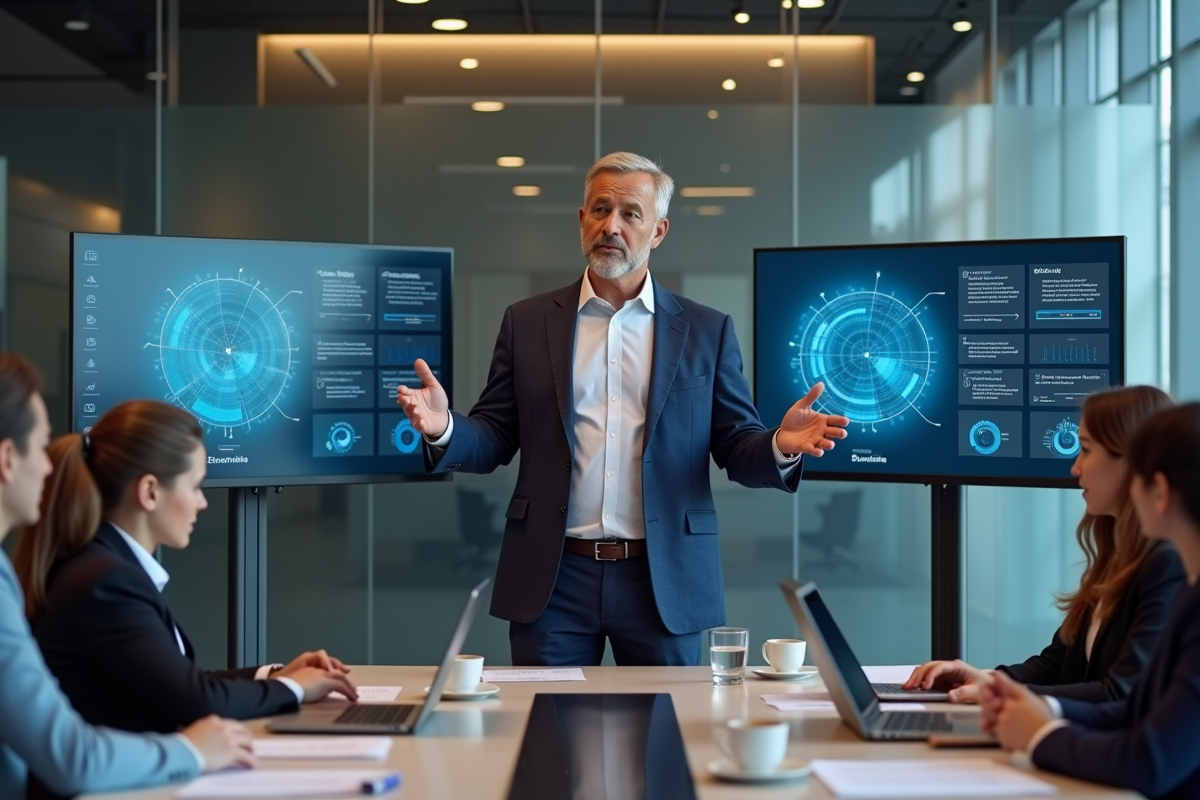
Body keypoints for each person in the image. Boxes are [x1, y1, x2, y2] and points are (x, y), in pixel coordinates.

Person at [397, 151, 850, 667]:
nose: (611, 225)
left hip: (664, 578)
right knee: (550, 736)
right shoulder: (527, 322)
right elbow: (497, 435)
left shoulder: (706, 330)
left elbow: (734, 444)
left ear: (658, 230)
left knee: (664, 737)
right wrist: (444, 429)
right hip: (553, 578)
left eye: (630, 213)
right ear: (582, 219)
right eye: (600, 209)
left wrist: (777, 445)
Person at [14, 399, 358, 737]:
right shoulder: (107, 583)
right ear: (149, 492)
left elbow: (180, 684)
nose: (203, 502)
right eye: (194, 487)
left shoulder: (99, 565)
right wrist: (292, 688)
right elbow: (196, 701)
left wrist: (271, 676)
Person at [0, 352, 255, 799]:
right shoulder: (99, 579)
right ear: (7, 458)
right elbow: (73, 759)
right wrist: (190, 751)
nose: (47, 465)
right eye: (40, 447)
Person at [904, 386, 1183, 704]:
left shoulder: (1166, 565)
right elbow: (1058, 663)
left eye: (1087, 450)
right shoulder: (1116, 557)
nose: (1075, 468)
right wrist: (983, 678)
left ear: (1131, 460)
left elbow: (1121, 693)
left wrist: (998, 695)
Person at [984, 402, 1200, 799]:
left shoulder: (1181, 589)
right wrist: (1037, 709)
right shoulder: (1189, 593)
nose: (1075, 467)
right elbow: (1138, 710)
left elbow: (1149, 760)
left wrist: (1040, 734)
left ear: (1160, 491)